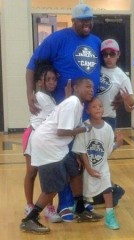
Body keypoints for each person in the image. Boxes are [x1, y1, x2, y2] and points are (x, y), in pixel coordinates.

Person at [26, 2, 101, 221]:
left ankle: (80, 203)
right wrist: (30, 92)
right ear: (73, 21)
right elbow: (32, 65)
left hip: (83, 111)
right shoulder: (57, 39)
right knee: (62, 164)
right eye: (82, 20)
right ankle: (63, 205)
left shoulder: (96, 42)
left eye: (90, 20)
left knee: (78, 162)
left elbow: (100, 72)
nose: (87, 24)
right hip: (65, 115)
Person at [20, 78, 103, 234]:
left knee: (75, 169)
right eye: (87, 86)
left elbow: (69, 130)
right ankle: (30, 219)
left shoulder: (78, 104)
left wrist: (78, 151)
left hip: (58, 145)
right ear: (76, 88)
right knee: (54, 187)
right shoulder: (72, 103)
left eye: (92, 87)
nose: (91, 89)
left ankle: (80, 209)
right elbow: (62, 131)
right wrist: (84, 129)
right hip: (47, 144)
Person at [72, 98, 123, 230]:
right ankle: (78, 207)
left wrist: (118, 144)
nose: (98, 109)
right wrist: (88, 168)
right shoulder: (85, 127)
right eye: (94, 107)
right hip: (87, 167)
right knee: (84, 190)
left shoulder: (107, 129)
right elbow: (82, 151)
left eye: (100, 106)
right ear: (88, 110)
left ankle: (110, 215)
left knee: (107, 187)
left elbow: (107, 150)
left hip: (102, 166)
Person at [23, 60, 62, 223]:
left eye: (54, 79)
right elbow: (58, 115)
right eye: (48, 79)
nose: (52, 82)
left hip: (43, 139)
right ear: (40, 82)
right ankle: (30, 205)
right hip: (33, 136)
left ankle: (49, 207)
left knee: (47, 174)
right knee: (32, 173)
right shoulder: (39, 96)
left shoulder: (51, 99)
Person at [97, 38, 134, 131]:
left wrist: (127, 99)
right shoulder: (95, 69)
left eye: (112, 54)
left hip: (108, 118)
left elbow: (129, 108)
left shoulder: (122, 77)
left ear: (118, 54)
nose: (108, 57)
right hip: (92, 116)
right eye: (105, 54)